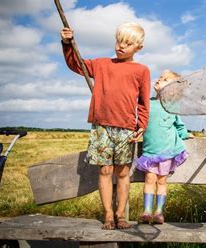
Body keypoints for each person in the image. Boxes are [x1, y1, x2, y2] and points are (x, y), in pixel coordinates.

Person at [60, 22, 150, 230]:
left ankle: (121, 215)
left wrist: (141, 125)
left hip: (127, 128)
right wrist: (67, 44)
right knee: (106, 170)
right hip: (101, 127)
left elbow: (143, 102)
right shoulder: (101, 64)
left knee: (122, 173)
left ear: (138, 48)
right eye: (119, 41)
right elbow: (76, 64)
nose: (121, 46)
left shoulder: (141, 71)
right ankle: (108, 214)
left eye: (127, 43)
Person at [136, 70, 193, 225]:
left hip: (167, 151)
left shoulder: (172, 107)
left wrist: (186, 134)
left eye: (165, 79)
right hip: (150, 151)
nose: (160, 79)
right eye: (160, 77)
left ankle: (159, 213)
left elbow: (179, 126)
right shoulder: (148, 104)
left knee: (161, 181)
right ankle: (147, 211)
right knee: (149, 178)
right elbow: (139, 121)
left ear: (173, 89)